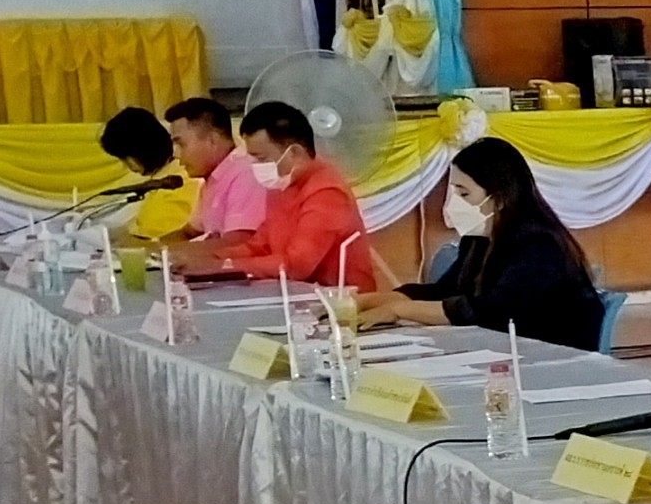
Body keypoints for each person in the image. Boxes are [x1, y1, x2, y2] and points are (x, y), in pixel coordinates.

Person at [354, 138, 605, 349]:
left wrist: (400, 310)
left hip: (555, 358)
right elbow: (444, 292)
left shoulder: (539, 245)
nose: (454, 203)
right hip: (505, 352)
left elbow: (491, 311)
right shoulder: (480, 239)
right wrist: (364, 302)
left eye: (464, 193)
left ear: (499, 198)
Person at [200, 102, 374, 289]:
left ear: (295, 152)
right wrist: (211, 259)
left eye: (261, 158)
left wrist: (224, 267)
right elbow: (260, 246)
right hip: (294, 292)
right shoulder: (281, 185)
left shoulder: (328, 193)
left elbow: (297, 265)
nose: (255, 166)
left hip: (342, 300)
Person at [163, 96, 265, 249]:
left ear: (212, 140)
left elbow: (237, 243)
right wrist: (149, 250)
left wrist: (168, 253)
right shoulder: (212, 178)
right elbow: (188, 233)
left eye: (181, 144)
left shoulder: (246, 172)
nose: (176, 154)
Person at [97, 106, 196, 240]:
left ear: (141, 150)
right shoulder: (162, 175)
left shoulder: (178, 182)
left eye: (125, 158)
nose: (126, 165)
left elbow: (159, 239)